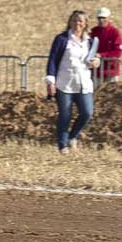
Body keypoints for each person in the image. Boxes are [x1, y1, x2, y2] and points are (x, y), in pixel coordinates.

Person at [46, 10, 100, 155]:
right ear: (70, 22)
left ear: (85, 24)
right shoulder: (62, 39)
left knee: (87, 112)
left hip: (83, 83)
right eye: (75, 20)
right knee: (65, 115)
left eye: (81, 21)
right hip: (65, 83)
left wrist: (96, 62)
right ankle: (63, 145)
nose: (78, 23)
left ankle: (73, 136)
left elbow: (94, 59)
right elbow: (52, 60)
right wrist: (50, 81)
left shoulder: (90, 41)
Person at [90, 7, 122, 83]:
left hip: (111, 72)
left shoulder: (114, 32)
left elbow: (118, 52)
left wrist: (101, 55)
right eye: (99, 18)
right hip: (97, 72)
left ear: (108, 18)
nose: (101, 20)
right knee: (96, 94)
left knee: (112, 94)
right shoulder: (93, 32)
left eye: (103, 17)